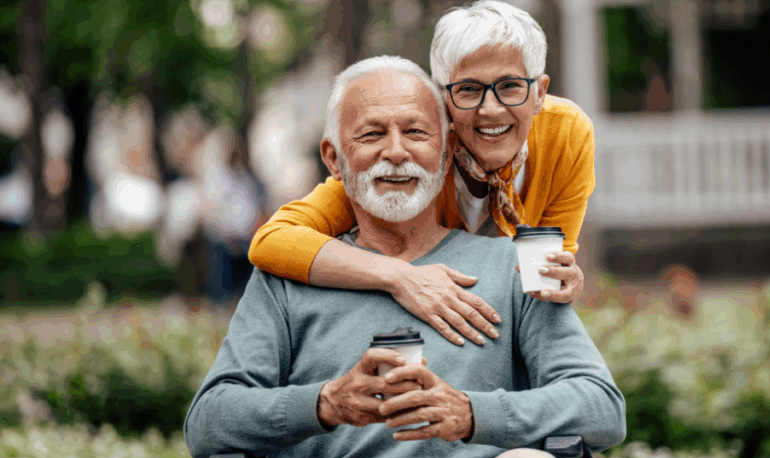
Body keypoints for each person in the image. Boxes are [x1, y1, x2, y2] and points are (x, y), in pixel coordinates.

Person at [184, 56, 626, 458]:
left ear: (446, 149)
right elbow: (208, 421)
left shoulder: (512, 266)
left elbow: (601, 407)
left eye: (416, 133)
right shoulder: (286, 279)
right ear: (334, 158)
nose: (396, 152)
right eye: (372, 135)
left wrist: (473, 413)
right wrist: (326, 403)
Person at [248, 0, 594, 349]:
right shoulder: (413, 160)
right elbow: (273, 240)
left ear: (539, 93)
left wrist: (563, 282)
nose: (491, 109)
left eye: (510, 86)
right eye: (469, 90)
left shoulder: (566, 134)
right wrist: (398, 277)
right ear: (443, 100)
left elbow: (550, 266)